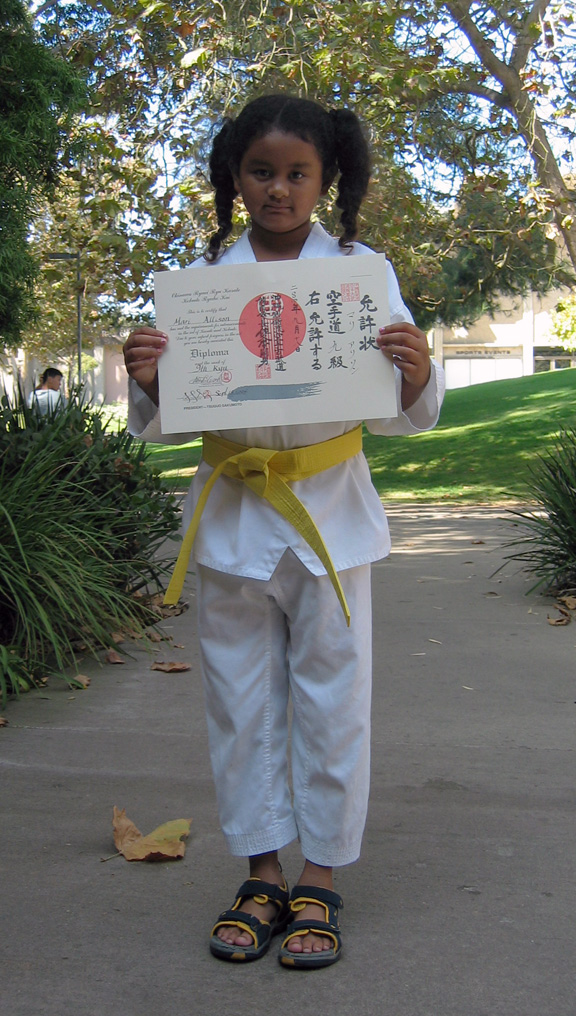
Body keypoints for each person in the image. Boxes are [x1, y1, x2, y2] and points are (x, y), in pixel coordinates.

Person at [124, 94, 445, 969]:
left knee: (334, 703)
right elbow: (162, 422)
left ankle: (324, 875)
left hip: (331, 519)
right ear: (235, 178)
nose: (278, 189)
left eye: (297, 173)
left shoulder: (361, 274)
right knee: (239, 702)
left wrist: (416, 373)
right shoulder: (201, 288)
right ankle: (262, 872)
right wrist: (148, 377)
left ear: (326, 179)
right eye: (260, 172)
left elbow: (406, 415)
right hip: (233, 517)